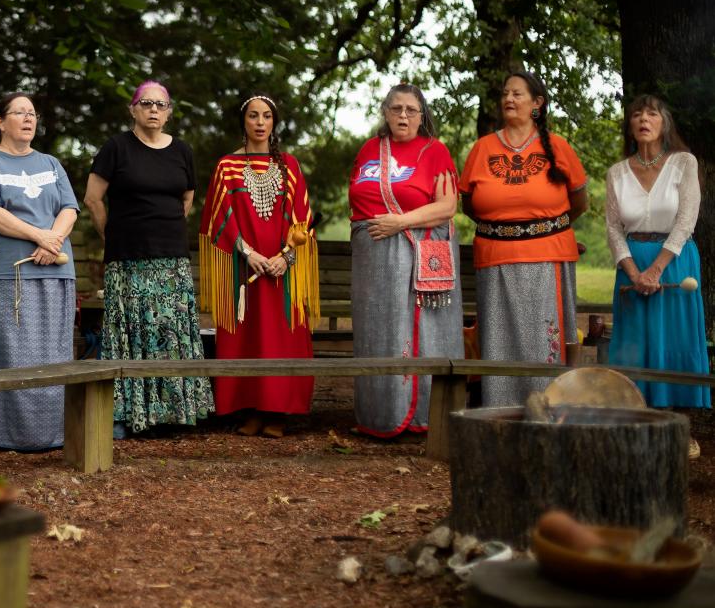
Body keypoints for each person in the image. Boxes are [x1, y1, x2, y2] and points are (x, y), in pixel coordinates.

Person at [85, 81, 214, 436]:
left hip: (171, 260)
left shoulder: (182, 151)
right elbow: (93, 198)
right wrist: (111, 234)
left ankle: (172, 414)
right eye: (146, 104)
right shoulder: (116, 148)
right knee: (131, 332)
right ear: (133, 109)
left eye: (161, 104)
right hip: (127, 257)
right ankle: (129, 416)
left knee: (170, 333)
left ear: (169, 111)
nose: (153, 110)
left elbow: (186, 199)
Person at [459, 70, 588, 406]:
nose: (508, 99)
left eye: (517, 94)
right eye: (505, 93)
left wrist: (547, 228)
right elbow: (470, 204)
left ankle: (549, 409)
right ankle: (499, 409)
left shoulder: (557, 146)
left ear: (537, 104)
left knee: (542, 338)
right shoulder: (483, 148)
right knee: (499, 338)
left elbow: (579, 201)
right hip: (495, 258)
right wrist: (505, 227)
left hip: (547, 257)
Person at [198, 95, 319, 437]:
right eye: (254, 116)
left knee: (282, 337)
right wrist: (248, 253)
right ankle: (250, 409)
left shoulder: (289, 166)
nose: (260, 122)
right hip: (244, 267)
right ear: (244, 122)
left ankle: (278, 412)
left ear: (274, 123)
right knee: (247, 337)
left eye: (267, 116)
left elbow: (303, 219)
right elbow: (219, 218)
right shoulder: (227, 167)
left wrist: (286, 257)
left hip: (283, 270)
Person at [348, 85, 463, 436]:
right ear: (385, 112)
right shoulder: (369, 149)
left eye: (411, 110)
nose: (403, 116)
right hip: (372, 262)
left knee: (421, 333)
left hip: (415, 254)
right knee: (377, 334)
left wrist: (398, 222)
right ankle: (379, 416)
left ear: (422, 114)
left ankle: (424, 417)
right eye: (396, 108)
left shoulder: (435, 151)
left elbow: (446, 208)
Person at [0, 93, 78, 450]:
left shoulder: (51, 163)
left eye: (32, 113)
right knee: (9, 354)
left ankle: (55, 434)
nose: (29, 119)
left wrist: (54, 240)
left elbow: (70, 208)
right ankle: (2, 436)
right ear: (0, 122)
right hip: (6, 274)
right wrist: (41, 236)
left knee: (53, 355)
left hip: (55, 272)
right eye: (19, 113)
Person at [605, 95, 709, 426]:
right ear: (630, 125)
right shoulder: (617, 173)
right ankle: (635, 424)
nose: (643, 119)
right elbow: (613, 229)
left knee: (676, 340)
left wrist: (656, 269)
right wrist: (635, 273)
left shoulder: (684, 163)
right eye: (637, 115)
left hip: (675, 262)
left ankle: (679, 427)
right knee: (635, 342)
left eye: (652, 114)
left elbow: (686, 220)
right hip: (631, 268)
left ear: (664, 124)